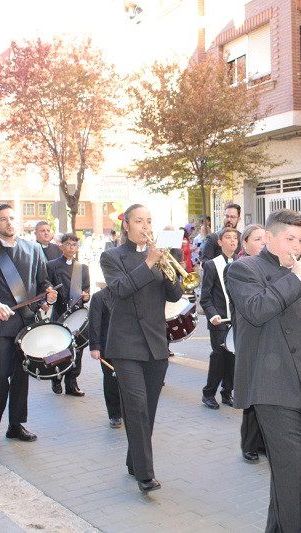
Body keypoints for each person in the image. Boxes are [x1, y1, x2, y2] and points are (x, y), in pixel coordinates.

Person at [227, 209, 301, 532]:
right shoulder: (244, 268)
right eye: (290, 239)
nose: (297, 247)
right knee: (290, 475)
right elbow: (257, 310)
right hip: (271, 386)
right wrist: (295, 278)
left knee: (300, 475)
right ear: (270, 237)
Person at [99, 203, 184, 492]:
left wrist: (171, 264)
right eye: (138, 221)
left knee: (148, 409)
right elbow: (121, 289)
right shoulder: (111, 257)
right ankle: (145, 474)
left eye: (148, 220)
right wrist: (149, 262)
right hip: (125, 343)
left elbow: (174, 294)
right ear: (126, 225)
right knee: (135, 408)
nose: (145, 226)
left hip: (156, 343)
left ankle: (134, 461)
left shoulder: (160, 256)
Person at [0, 204, 57, 444]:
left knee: (21, 375)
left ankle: (15, 425)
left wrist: (48, 294)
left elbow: (43, 283)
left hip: (26, 322)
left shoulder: (33, 250)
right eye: (3, 219)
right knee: (0, 374)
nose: (9, 223)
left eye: (12, 218)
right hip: (0, 324)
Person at [236, 224, 267, 462]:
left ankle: (264, 440)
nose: (262, 243)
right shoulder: (241, 268)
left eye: (265, 238)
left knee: (266, 392)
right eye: (257, 239)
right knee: (253, 393)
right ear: (245, 244)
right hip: (251, 333)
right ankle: (249, 443)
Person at [46, 232, 90, 397]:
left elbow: (87, 289)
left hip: (77, 314)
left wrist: (86, 296)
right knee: (58, 348)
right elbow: (46, 287)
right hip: (59, 312)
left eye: (74, 244)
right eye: (68, 244)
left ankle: (72, 383)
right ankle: (56, 379)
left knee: (77, 349)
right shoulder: (51, 265)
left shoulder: (82, 268)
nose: (71, 247)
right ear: (61, 246)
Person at [199, 226, 239, 409]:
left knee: (232, 356)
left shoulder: (240, 263)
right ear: (220, 242)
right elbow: (205, 297)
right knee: (219, 356)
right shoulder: (211, 264)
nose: (233, 241)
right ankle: (208, 393)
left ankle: (227, 392)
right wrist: (212, 314)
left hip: (235, 320)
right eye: (228, 238)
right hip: (219, 320)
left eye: (235, 238)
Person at [88, 285, 122, 428]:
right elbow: (94, 323)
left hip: (127, 344)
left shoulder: (129, 292)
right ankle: (114, 413)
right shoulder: (98, 297)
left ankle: (128, 411)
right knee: (111, 380)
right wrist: (95, 346)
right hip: (107, 346)